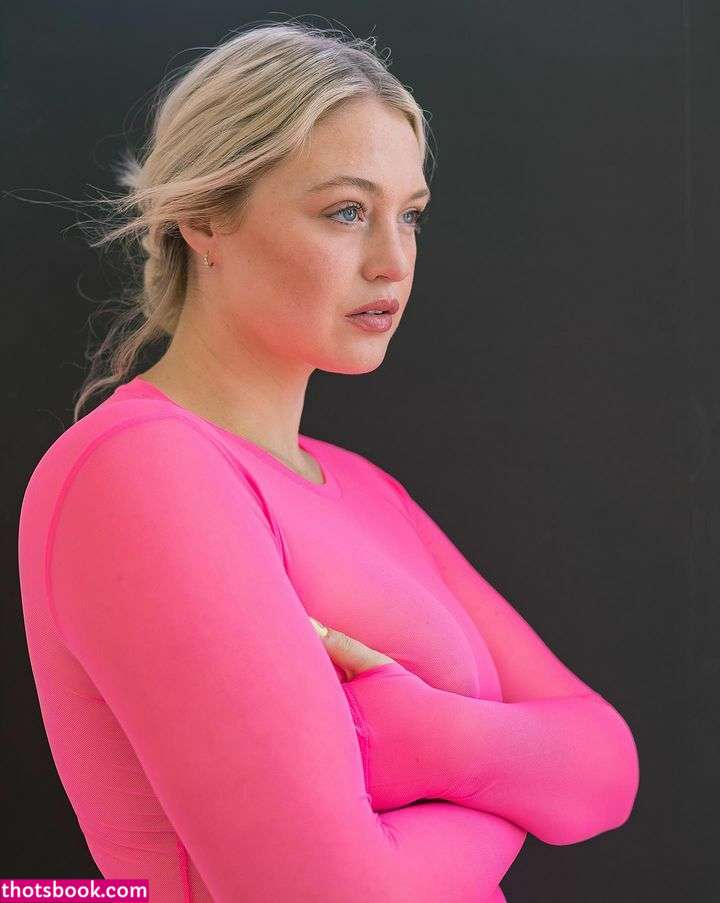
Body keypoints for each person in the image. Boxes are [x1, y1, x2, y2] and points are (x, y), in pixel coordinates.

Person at [17, 20, 639, 902]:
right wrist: (511, 790)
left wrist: (420, 736)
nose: (393, 262)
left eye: (410, 216)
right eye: (347, 212)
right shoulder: (140, 471)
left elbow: (606, 766)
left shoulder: (364, 487)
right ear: (204, 218)